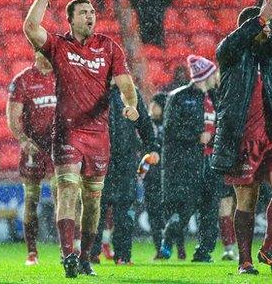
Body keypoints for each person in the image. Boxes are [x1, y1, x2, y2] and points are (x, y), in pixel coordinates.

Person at [23, 0, 139, 278]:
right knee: (68, 190)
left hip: (99, 133)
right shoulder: (60, 46)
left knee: (93, 200)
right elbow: (31, 27)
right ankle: (67, 254)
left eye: (92, 13)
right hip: (68, 131)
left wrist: (131, 106)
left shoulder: (109, 47)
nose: (90, 17)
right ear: (71, 19)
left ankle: (85, 257)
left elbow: (127, 85)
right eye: (83, 13)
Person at [211, 0, 272, 275]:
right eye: (263, 26)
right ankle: (245, 260)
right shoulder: (230, 53)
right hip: (242, 137)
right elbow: (232, 43)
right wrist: (261, 17)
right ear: (249, 28)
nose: (268, 31)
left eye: (268, 27)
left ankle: (269, 249)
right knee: (247, 200)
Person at [7, 51, 77, 265]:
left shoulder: (63, 76)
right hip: (34, 148)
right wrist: (22, 139)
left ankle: (64, 250)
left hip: (58, 146)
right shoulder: (23, 80)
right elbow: (12, 114)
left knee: (62, 196)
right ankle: (32, 251)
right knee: (31, 199)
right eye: (45, 51)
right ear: (37, 54)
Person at [159, 55, 223, 263]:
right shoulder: (178, 96)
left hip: (211, 162)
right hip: (188, 162)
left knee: (210, 209)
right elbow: (169, 129)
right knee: (185, 208)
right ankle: (169, 237)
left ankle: (203, 252)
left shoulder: (216, 98)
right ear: (205, 75)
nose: (217, 76)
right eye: (214, 73)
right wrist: (196, 136)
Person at [89, 83, 160, 265]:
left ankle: (122, 255)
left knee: (124, 210)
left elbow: (144, 123)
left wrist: (152, 147)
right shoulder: (93, 89)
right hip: (99, 159)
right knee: (97, 207)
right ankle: (92, 253)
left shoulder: (131, 93)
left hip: (125, 160)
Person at [145, 92, 167, 259]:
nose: (152, 108)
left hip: (166, 176)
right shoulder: (145, 126)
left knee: (166, 212)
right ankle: (159, 247)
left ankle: (175, 245)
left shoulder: (170, 125)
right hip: (150, 176)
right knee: (153, 213)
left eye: (156, 105)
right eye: (151, 104)